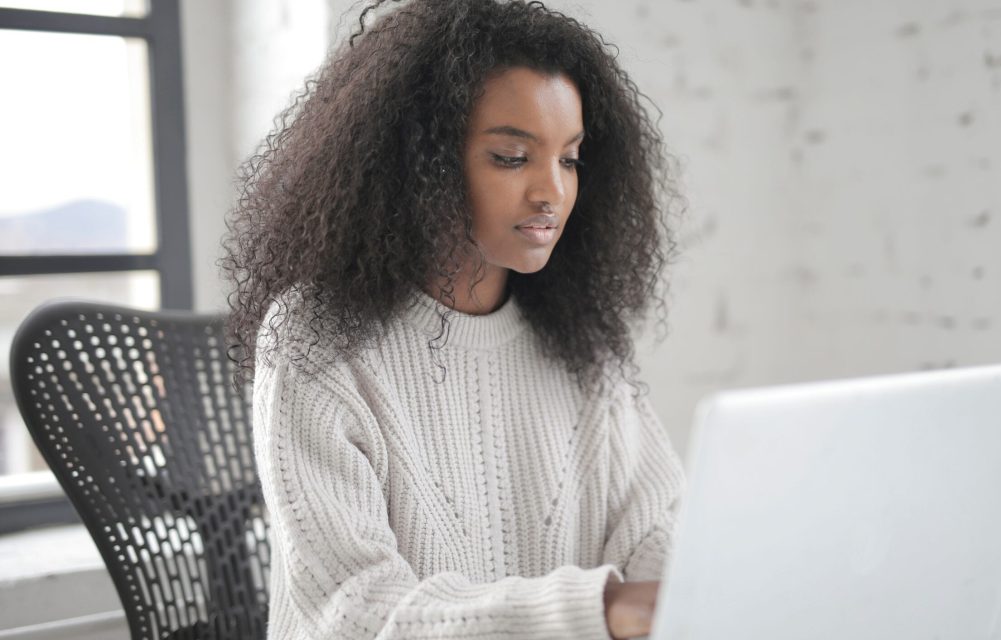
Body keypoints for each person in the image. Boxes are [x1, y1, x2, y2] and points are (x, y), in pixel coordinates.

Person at [222, 0, 685, 638]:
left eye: (570, 158)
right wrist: (597, 610)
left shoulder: (582, 345)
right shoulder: (315, 340)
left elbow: (658, 531)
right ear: (421, 165)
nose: (552, 191)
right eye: (512, 158)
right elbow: (354, 611)